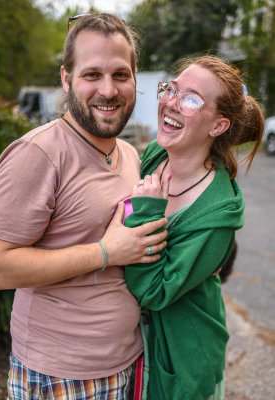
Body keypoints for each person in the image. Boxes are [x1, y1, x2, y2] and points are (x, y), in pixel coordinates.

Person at [0, 13, 168, 400]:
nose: (109, 89)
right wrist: (105, 252)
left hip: (128, 362)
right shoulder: (39, 153)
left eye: (120, 74)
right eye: (92, 75)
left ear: (134, 79)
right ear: (66, 79)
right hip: (60, 377)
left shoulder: (131, 154)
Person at [123, 55, 264, 400]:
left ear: (218, 126)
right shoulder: (156, 154)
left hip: (184, 358)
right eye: (172, 89)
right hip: (136, 348)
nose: (170, 102)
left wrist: (146, 213)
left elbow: (155, 292)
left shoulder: (216, 216)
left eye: (191, 99)